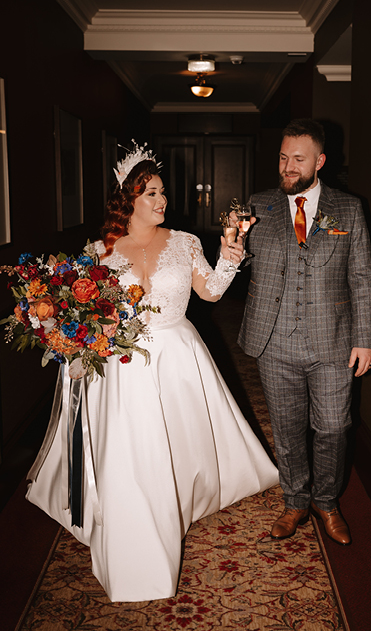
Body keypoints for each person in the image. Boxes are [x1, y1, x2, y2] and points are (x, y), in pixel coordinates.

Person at [26, 144, 279, 602]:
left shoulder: (185, 243)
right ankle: (135, 544)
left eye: (163, 192)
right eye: (151, 194)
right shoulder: (100, 252)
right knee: (131, 456)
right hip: (122, 368)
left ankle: (175, 503)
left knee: (175, 445)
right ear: (129, 199)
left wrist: (231, 254)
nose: (162, 201)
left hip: (177, 357)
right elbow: (82, 310)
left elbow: (213, 294)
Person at [237, 118, 371, 545]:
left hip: (332, 340)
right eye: (283, 157)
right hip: (273, 340)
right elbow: (236, 265)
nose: (288, 167)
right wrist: (231, 251)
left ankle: (327, 501)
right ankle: (295, 501)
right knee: (287, 426)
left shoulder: (348, 209)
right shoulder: (258, 207)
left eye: (298, 159)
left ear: (320, 161)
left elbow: (361, 278)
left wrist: (365, 337)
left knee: (334, 426)